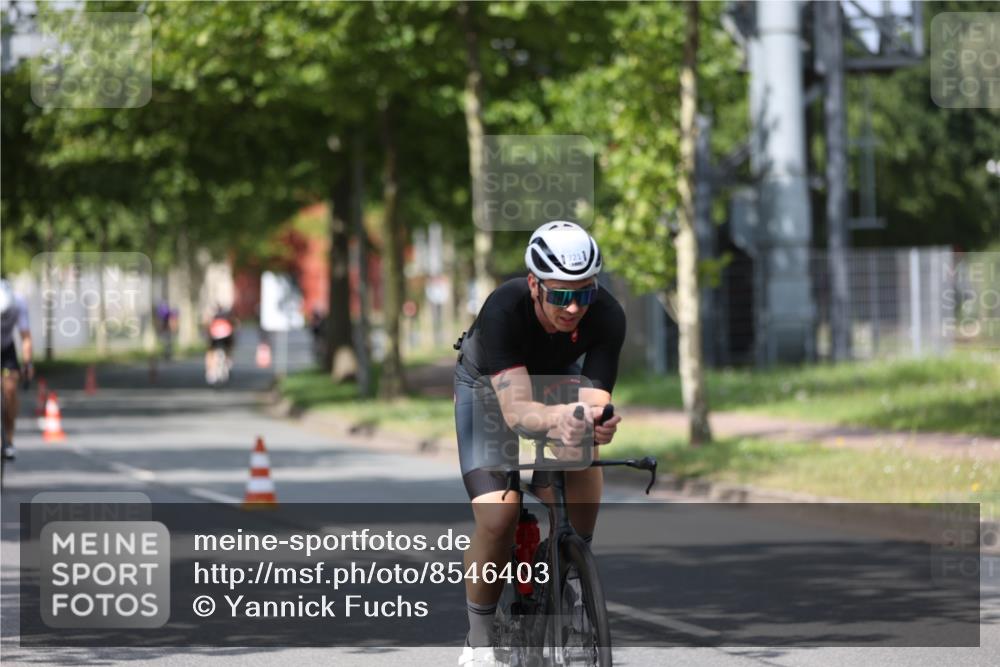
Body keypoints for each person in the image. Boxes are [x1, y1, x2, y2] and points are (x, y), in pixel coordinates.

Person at [453, 221, 625, 666]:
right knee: (499, 515)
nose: (572, 308)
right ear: (534, 284)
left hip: (554, 382)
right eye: (559, 294)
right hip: (490, 391)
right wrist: (559, 419)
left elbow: (594, 399)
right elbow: (517, 412)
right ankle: (479, 640)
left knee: (584, 450)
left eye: (583, 294)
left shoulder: (607, 315)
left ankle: (571, 562)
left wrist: (595, 422)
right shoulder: (503, 311)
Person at [1, 278, 33, 461]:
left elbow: (26, 338)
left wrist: (28, 364)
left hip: (6, 348)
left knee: (11, 388)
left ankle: (9, 439)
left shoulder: (19, 302)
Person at [204, 306, 236, 384]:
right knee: (229, 348)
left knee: (210, 351)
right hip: (226, 337)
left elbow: (208, 329)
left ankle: (210, 370)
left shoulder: (214, 320)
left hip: (215, 338)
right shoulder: (228, 320)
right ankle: (228, 361)